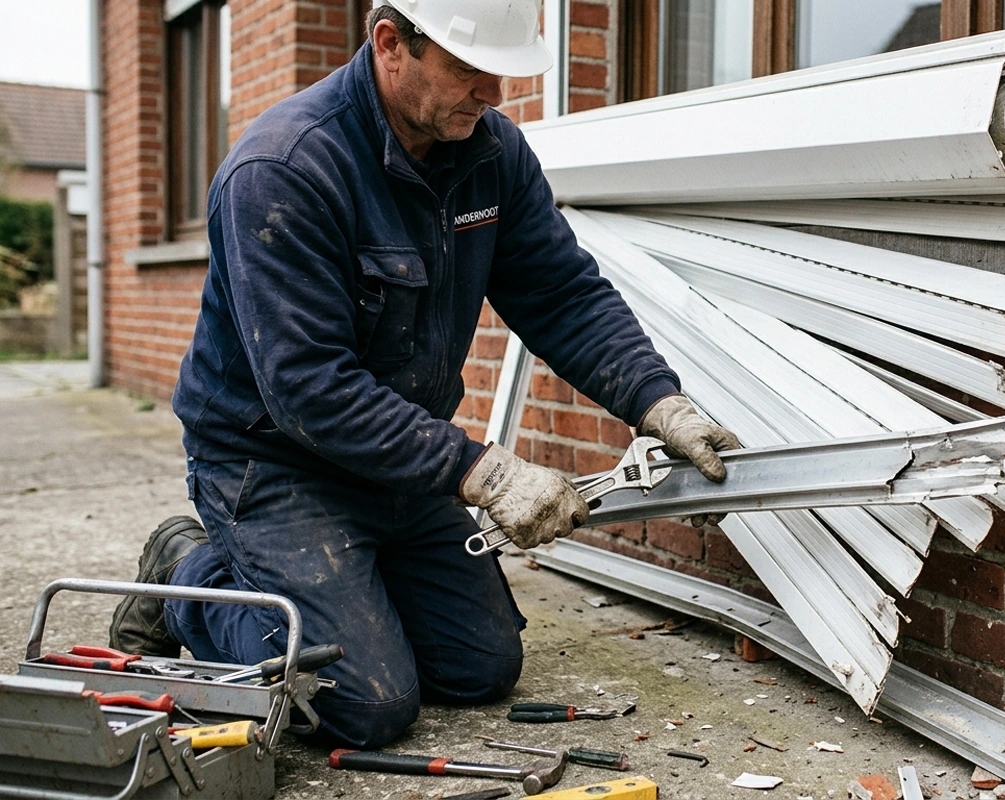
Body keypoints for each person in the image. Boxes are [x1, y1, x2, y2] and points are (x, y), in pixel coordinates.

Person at [109, 0, 739, 749]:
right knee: (360, 705)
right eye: (469, 69)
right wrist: (487, 475)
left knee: (481, 667)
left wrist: (658, 402)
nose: (493, 93)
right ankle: (190, 571)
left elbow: (560, 293)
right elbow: (309, 387)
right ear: (390, 44)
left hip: (397, 464)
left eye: (500, 72)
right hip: (275, 464)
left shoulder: (490, 152)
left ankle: (345, 599)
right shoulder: (283, 169)